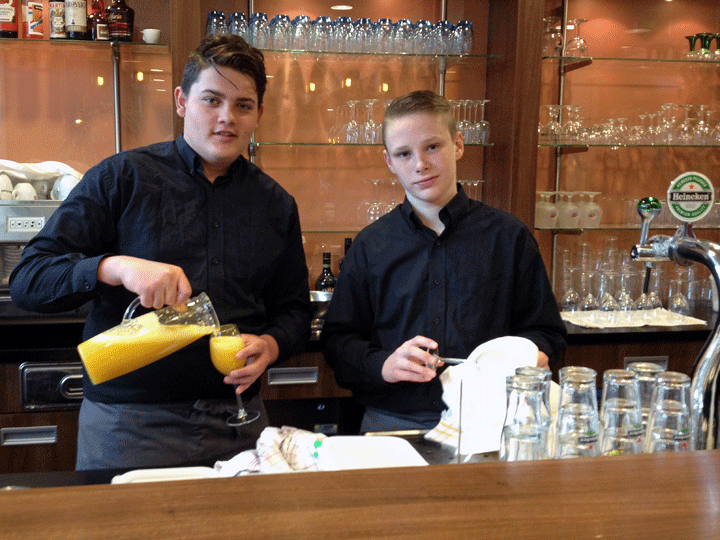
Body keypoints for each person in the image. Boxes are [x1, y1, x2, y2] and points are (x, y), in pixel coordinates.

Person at [9, 34, 312, 470]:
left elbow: (294, 311)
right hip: (128, 426)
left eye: (243, 105)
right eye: (211, 100)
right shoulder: (121, 177)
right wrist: (114, 267)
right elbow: (29, 281)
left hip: (240, 424)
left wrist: (271, 343)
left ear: (258, 114)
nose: (227, 118)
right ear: (181, 101)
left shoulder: (276, 203)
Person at [322, 90, 566, 433]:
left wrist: (534, 356)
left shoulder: (509, 237)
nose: (419, 164)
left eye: (432, 147)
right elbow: (338, 341)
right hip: (392, 421)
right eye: (403, 154)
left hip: (494, 420)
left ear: (459, 144)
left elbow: (547, 332)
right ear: (389, 162)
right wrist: (384, 365)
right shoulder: (370, 245)